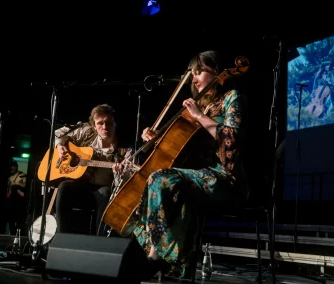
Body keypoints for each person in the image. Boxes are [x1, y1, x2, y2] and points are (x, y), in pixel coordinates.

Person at [132, 50, 250, 278]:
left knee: (160, 178)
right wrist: (157, 137)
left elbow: (231, 138)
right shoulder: (200, 106)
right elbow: (181, 148)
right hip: (197, 178)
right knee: (181, 199)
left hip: (226, 177)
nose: (193, 79)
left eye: (198, 72)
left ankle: (155, 258)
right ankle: (180, 270)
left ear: (216, 70)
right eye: (192, 74)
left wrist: (199, 116)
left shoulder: (232, 97)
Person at [54, 104, 134, 236]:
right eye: (100, 123)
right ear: (94, 126)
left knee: (106, 192)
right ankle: (63, 237)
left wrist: (119, 174)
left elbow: (126, 182)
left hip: (101, 190)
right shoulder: (87, 132)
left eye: (109, 122)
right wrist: (59, 146)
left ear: (115, 123)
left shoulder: (125, 150)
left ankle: (99, 240)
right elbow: (58, 133)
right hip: (81, 184)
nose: (105, 127)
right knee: (64, 187)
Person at [5, 160, 27, 235]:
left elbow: (25, 186)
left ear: (16, 167)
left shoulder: (21, 175)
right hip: (10, 202)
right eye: (10, 167)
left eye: (13, 166)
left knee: (19, 222)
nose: (11, 168)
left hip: (19, 203)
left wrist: (16, 184)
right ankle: (12, 236)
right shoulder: (9, 177)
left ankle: (19, 237)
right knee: (11, 221)